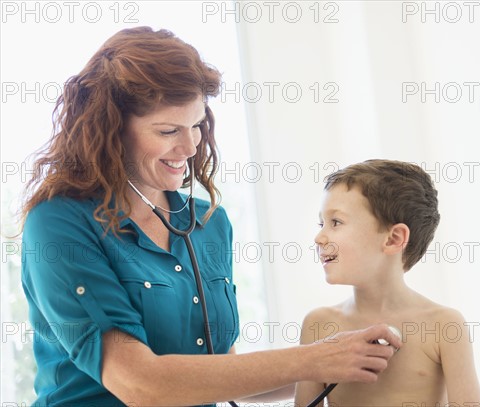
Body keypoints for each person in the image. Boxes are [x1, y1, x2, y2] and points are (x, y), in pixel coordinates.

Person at [18, 27, 402, 407]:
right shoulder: (58, 225)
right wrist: (314, 358)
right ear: (111, 129)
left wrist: (349, 360)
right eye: (168, 130)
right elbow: (139, 384)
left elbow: (222, 374)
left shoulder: (208, 223)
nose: (188, 147)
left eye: (197, 125)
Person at [295, 159, 480, 407]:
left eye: (336, 222)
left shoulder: (444, 325)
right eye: (321, 224)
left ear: (394, 238)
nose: (319, 237)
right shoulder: (318, 325)